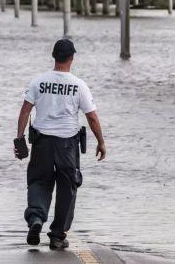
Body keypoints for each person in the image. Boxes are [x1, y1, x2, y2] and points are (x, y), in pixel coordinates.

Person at [14, 39, 106, 249]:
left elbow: (25, 110)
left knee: (39, 182)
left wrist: (19, 138)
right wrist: (101, 142)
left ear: (54, 56)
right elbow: (92, 117)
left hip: (42, 143)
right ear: (71, 58)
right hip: (67, 145)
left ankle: (36, 218)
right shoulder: (78, 85)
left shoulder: (38, 81)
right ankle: (57, 236)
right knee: (67, 188)